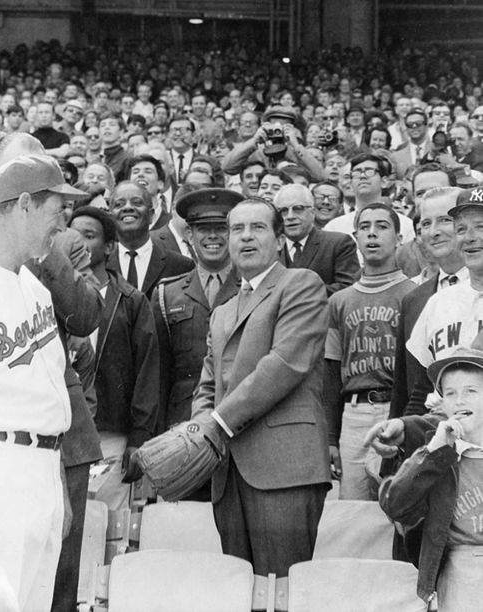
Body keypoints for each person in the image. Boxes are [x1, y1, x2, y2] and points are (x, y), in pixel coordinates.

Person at [191, 197, 331, 576]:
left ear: (279, 240)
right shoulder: (222, 311)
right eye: (237, 229)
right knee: (240, 590)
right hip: (228, 471)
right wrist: (199, 428)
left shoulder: (301, 284)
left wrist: (215, 424)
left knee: (284, 590)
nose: (245, 237)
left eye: (257, 228)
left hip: (285, 469)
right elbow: (207, 383)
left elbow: (283, 365)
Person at [0, 154, 86, 611]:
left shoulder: (35, 285)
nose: (61, 227)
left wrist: (56, 484)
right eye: (55, 213)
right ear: (23, 204)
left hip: (43, 468)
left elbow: (50, 395)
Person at [152, 187, 243, 500]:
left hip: (241, 428)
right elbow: (160, 375)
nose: (213, 237)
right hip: (185, 431)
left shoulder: (254, 290)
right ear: (189, 234)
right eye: (204, 229)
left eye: (222, 228)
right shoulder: (167, 293)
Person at [69, 206, 160, 510]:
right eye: (72, 234)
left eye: (89, 235)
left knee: (106, 524)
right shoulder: (50, 293)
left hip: (110, 432)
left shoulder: (131, 300)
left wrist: (139, 438)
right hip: (63, 427)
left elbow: (147, 371)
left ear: (109, 247)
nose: (78, 241)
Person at [379, 346, 483, 611]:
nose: (460, 400)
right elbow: (394, 504)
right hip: (461, 570)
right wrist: (434, 450)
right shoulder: (438, 456)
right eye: (450, 394)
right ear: (442, 405)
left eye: (471, 391)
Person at [324, 203, 416, 499]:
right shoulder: (339, 301)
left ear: (399, 238)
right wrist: (330, 437)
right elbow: (330, 373)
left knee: (400, 504)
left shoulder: (416, 293)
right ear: (356, 237)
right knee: (352, 509)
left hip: (399, 409)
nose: (372, 234)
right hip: (354, 411)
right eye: (365, 227)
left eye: (382, 226)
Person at [389, 186, 466, 419]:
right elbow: (407, 387)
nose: (434, 232)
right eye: (425, 224)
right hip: (432, 435)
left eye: (444, 220)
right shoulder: (415, 299)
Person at [106, 180, 194, 301]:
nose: (127, 207)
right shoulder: (101, 265)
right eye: (119, 204)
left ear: (151, 215)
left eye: (136, 203)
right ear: (111, 217)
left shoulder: (181, 266)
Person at [324, 153, 415, 259]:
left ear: (384, 181)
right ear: (351, 182)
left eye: (369, 171)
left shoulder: (405, 225)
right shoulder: (334, 227)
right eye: (357, 172)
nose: (363, 176)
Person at [275, 184, 359, 296]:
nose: (290, 216)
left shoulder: (338, 243)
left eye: (298, 209)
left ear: (312, 212)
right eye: (283, 211)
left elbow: (349, 288)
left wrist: (301, 293)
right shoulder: (270, 248)